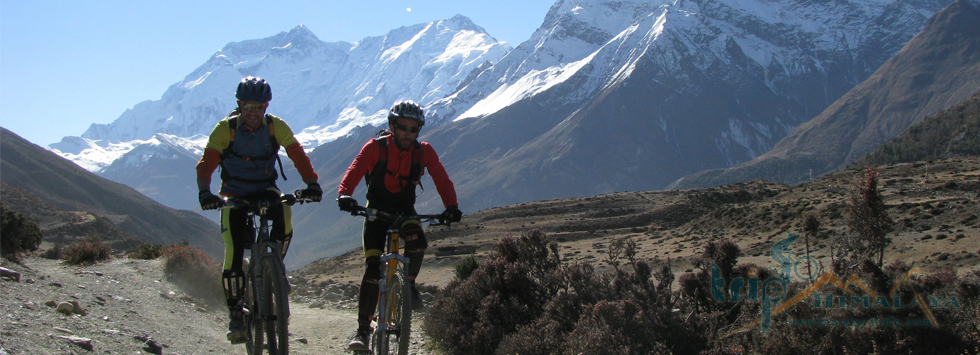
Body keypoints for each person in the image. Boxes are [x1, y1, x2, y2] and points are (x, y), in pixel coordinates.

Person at [195, 76, 323, 343]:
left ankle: (275, 265)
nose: (253, 112)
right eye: (248, 106)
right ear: (240, 105)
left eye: (259, 106)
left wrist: (312, 182)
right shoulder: (225, 129)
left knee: (284, 213)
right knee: (233, 252)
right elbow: (206, 163)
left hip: (266, 188)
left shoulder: (276, 126)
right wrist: (206, 193)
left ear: (266, 107)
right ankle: (235, 314)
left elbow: (296, 153)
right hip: (234, 193)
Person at [336, 101, 463, 351]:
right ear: (392, 127)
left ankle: (409, 285)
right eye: (402, 127)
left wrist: (451, 206)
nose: (407, 133)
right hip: (376, 211)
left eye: (413, 129)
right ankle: (363, 331)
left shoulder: (424, 151)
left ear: (419, 131)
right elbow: (356, 167)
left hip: (405, 210)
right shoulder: (376, 147)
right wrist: (345, 195)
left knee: (418, 245)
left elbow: (441, 177)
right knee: (373, 270)